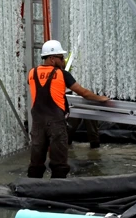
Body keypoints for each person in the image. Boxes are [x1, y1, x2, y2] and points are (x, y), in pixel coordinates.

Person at [27, 39, 108, 178]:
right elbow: (83, 93)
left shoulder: (32, 73)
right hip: (56, 123)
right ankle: (58, 189)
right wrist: (102, 99)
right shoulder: (62, 74)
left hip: (38, 123)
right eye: (61, 58)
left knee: (36, 159)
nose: (63, 61)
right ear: (52, 59)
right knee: (59, 161)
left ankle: (31, 188)